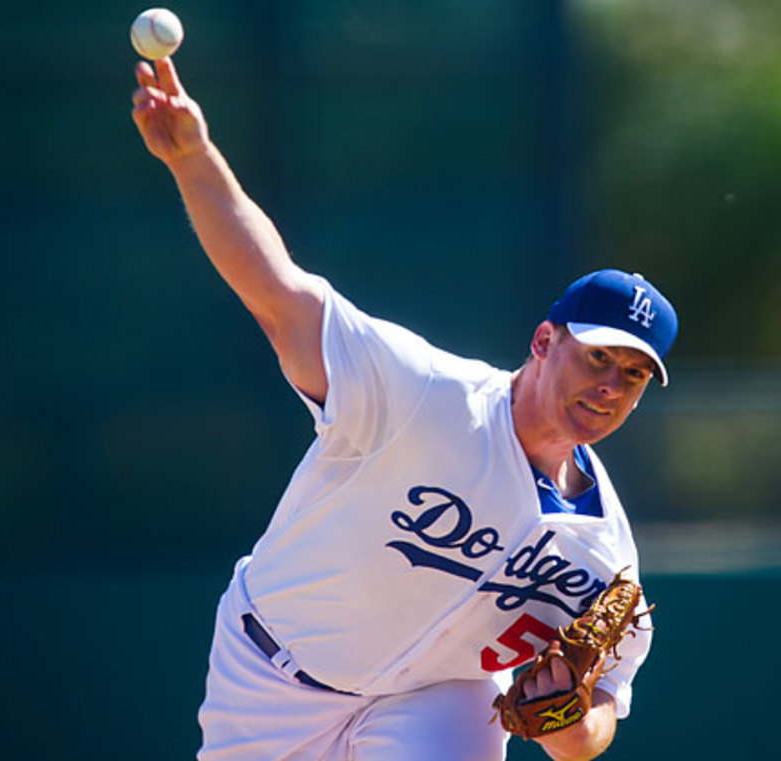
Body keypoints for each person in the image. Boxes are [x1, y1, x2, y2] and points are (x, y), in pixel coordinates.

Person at [131, 56, 679, 761]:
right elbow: (280, 298)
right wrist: (192, 157)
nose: (610, 384)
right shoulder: (422, 392)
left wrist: (567, 721)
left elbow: (595, 724)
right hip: (270, 667)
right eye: (598, 357)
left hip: (440, 695)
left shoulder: (604, 555)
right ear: (544, 341)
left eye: (633, 374)